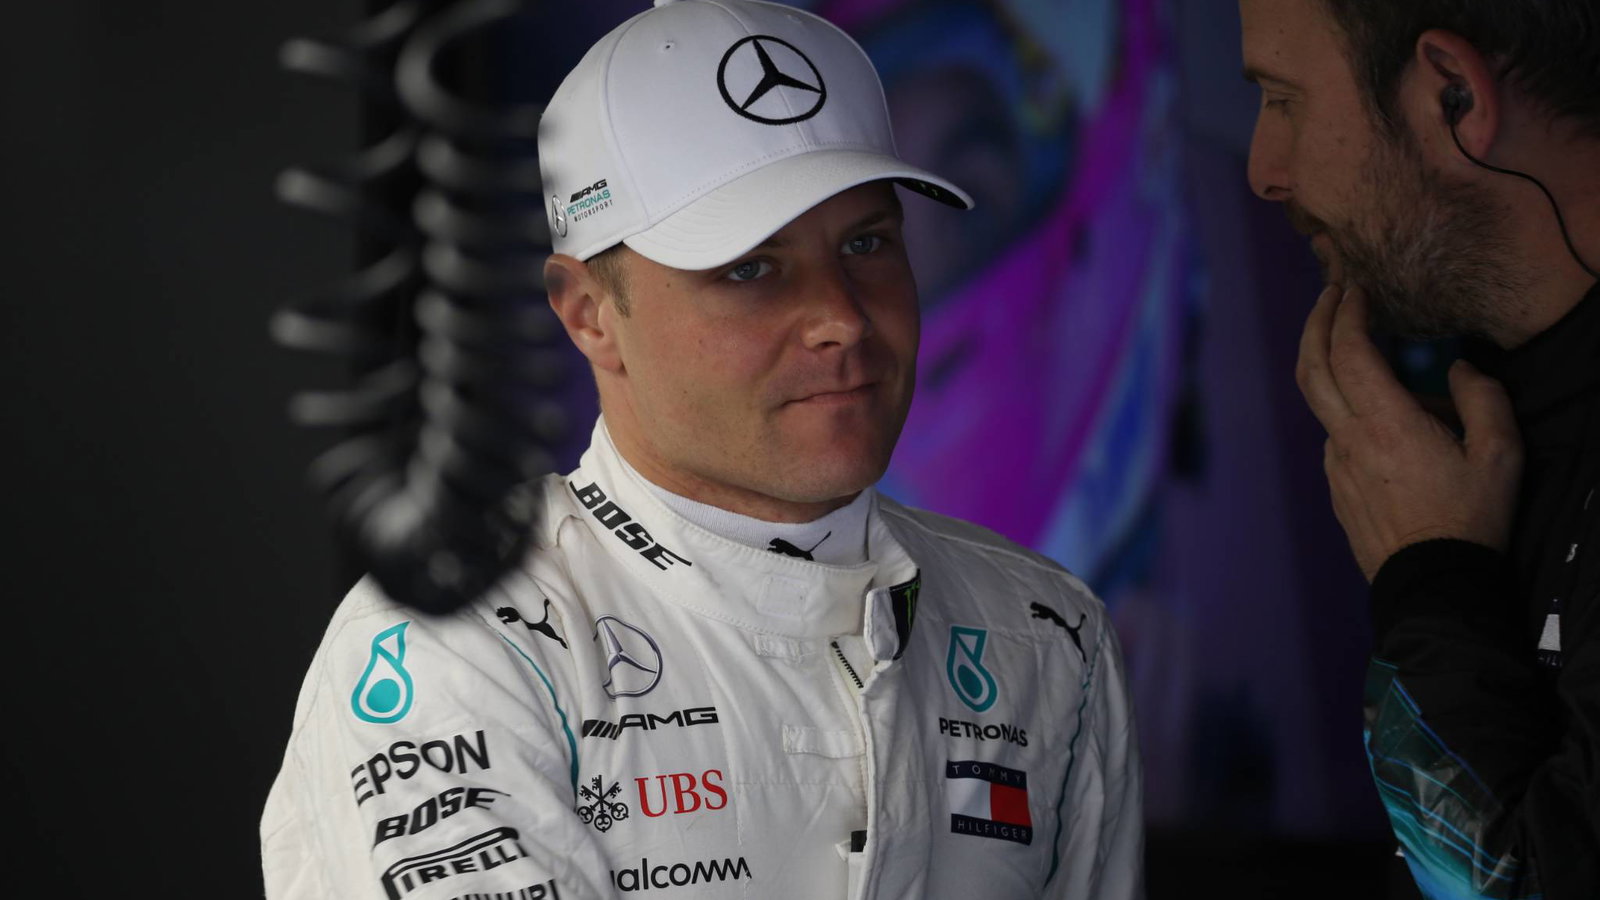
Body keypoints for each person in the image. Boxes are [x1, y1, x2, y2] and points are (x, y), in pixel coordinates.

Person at [261, 1, 1143, 898]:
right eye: (750, 267)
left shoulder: (1044, 631)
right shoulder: (462, 639)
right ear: (589, 314)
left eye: (867, 243)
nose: (841, 318)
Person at [1238, 0, 1600, 897]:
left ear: (1453, 97)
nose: (1263, 171)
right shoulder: (1481, 416)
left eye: (1282, 100)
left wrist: (1434, 577)